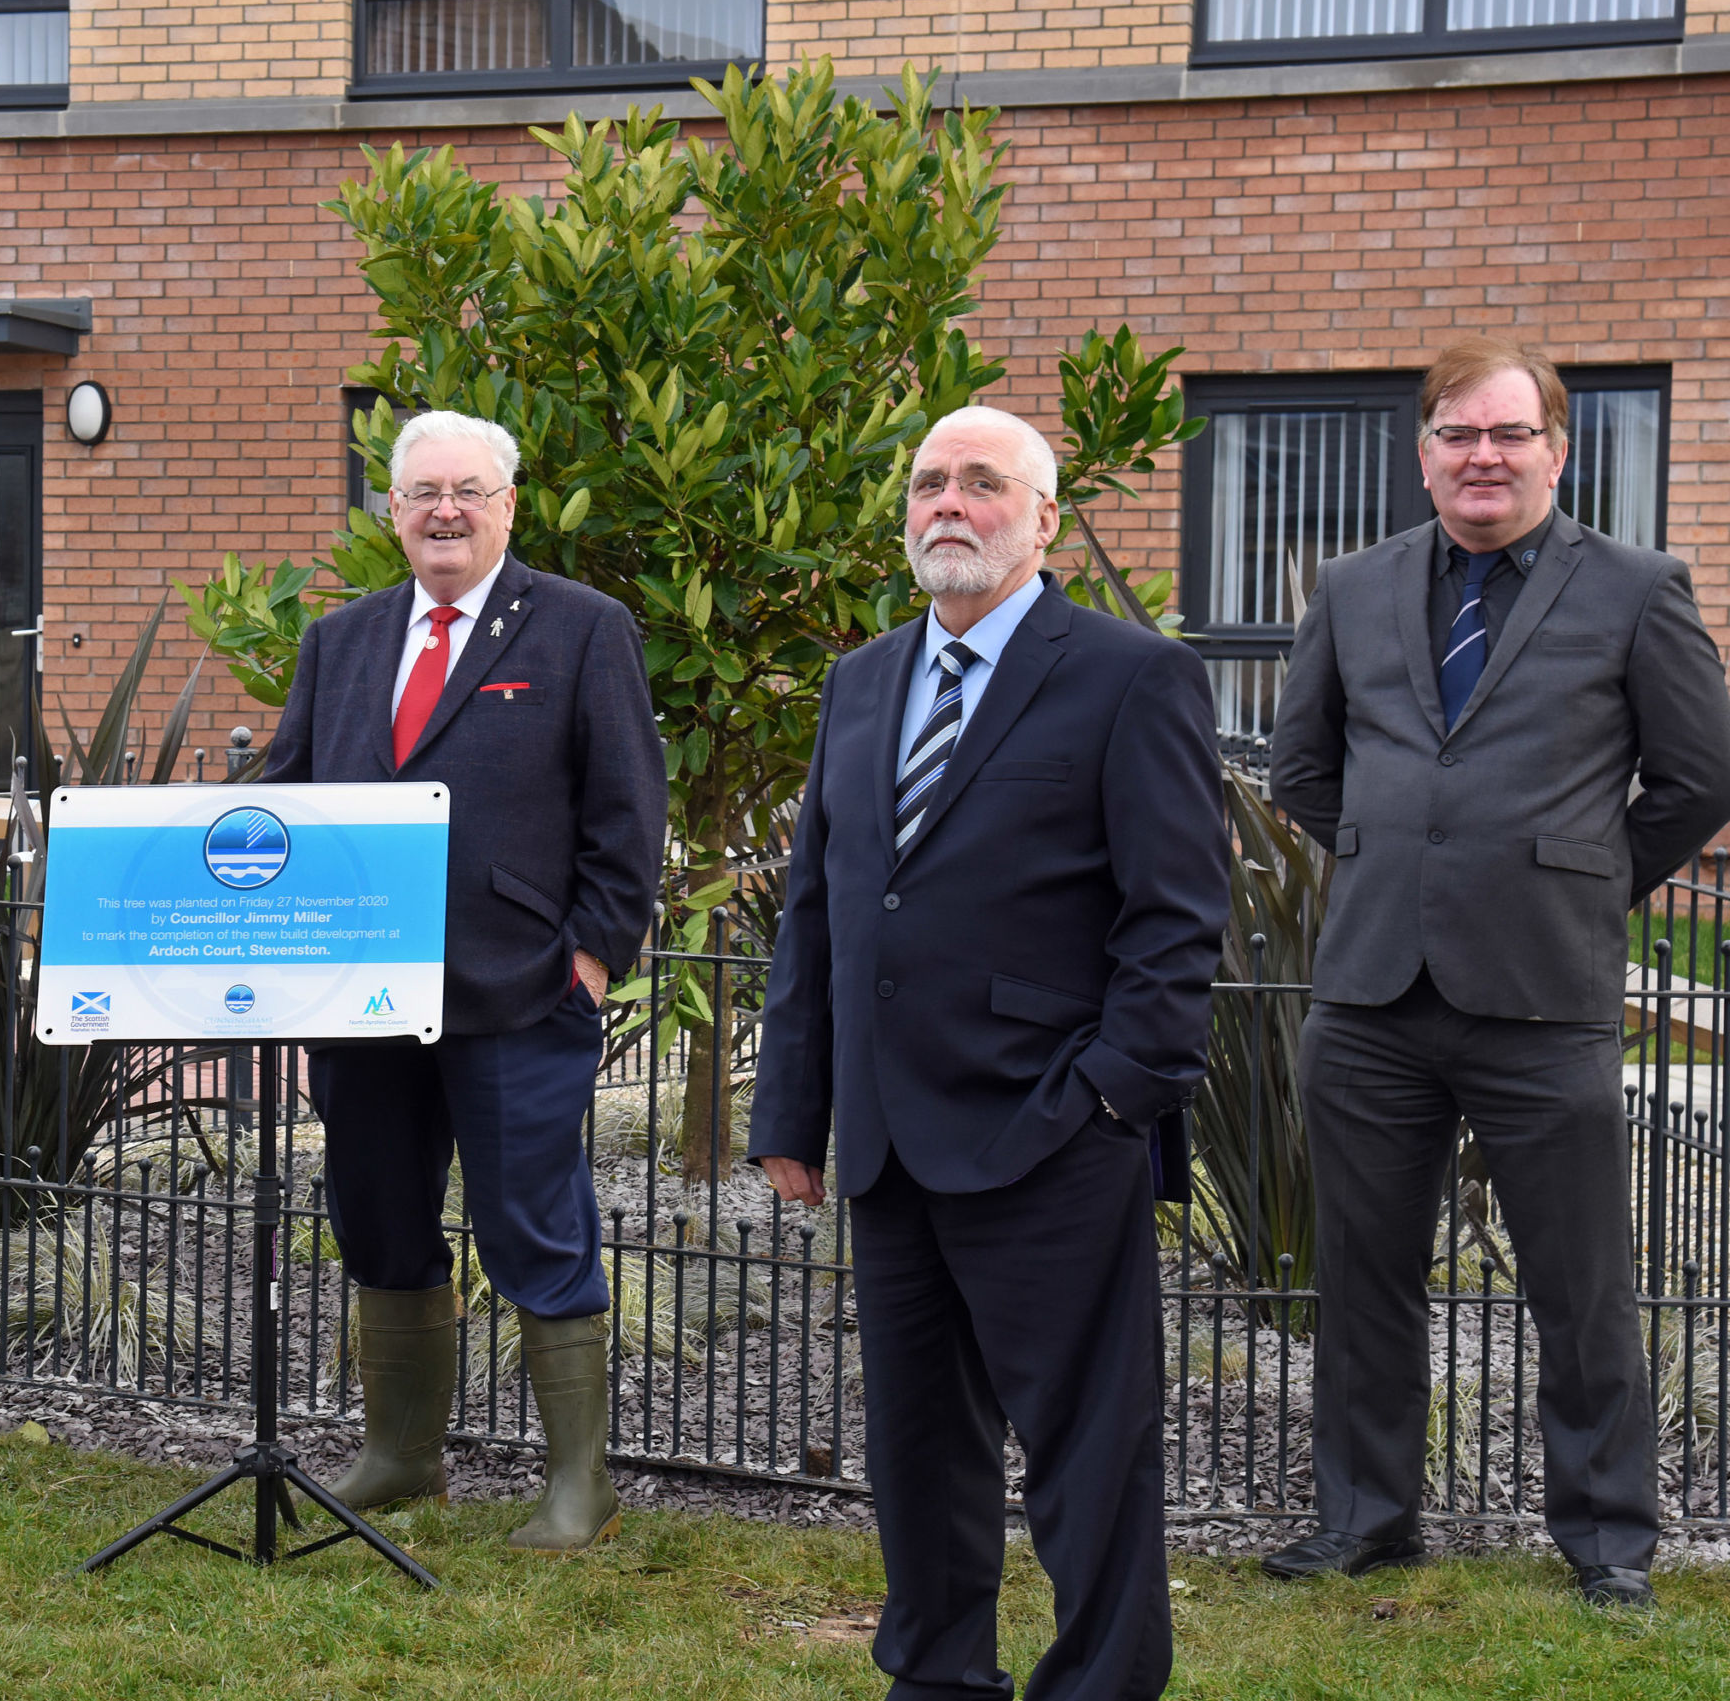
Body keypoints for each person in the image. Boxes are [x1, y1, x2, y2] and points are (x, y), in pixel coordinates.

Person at [750, 405, 1228, 1700]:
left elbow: (1177, 920)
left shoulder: (1132, 676)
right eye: (926, 484)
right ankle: (939, 1675)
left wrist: (1110, 1096)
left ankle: (1100, 1682)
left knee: (1089, 1454)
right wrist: (793, 1107)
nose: (948, 505)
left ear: (1044, 519)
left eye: (981, 484)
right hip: (891, 1141)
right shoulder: (862, 682)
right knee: (918, 1450)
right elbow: (823, 907)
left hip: (1053, 1135)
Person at [1264, 340, 1730, 1607]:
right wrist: (1392, 860)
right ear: (1422, 456)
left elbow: (1700, 777)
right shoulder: (1352, 587)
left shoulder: (1636, 588)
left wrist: (1576, 874)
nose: (1483, 457)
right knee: (1363, 1275)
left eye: (1509, 436)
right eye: (1459, 435)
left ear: (1555, 451)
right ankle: (1366, 1517)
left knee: (1579, 1286)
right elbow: (1302, 767)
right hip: (1368, 999)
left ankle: (1607, 1540)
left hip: (1543, 996)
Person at [263, 409, 666, 1551]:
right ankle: (401, 1455)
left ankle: (579, 1485)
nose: (444, 509)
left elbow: (628, 813)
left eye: (467, 490)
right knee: (379, 1220)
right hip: (359, 998)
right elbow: (284, 797)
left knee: (534, 1228)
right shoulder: (341, 641)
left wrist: (589, 959)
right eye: (421, 491)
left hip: (520, 991)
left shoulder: (584, 629)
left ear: (508, 504)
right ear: (390, 511)